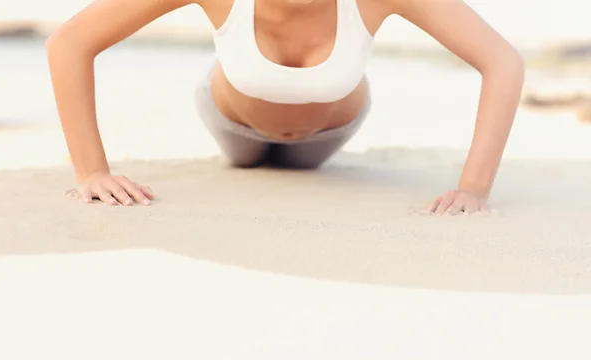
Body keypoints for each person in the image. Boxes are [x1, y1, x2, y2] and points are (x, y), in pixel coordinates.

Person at [45, 0, 525, 215]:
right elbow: (69, 43)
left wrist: (473, 188)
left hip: (328, 137)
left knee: (298, 171)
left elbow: (502, 61)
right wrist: (92, 173)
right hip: (230, 122)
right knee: (248, 164)